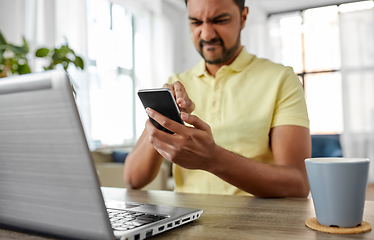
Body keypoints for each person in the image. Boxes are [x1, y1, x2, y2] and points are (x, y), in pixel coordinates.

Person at [124, 0, 311, 197]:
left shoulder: (281, 79)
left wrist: (212, 159)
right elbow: (132, 179)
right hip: (186, 221)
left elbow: (297, 185)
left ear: (243, 17)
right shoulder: (176, 83)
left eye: (220, 20)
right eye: (196, 22)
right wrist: (162, 118)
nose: (207, 34)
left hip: (257, 223)